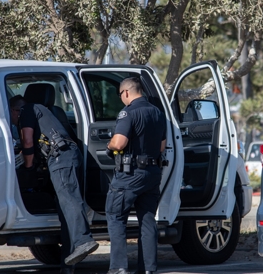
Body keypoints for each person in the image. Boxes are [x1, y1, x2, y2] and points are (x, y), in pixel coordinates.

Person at [10, 95, 99, 274]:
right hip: (64, 156)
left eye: (10, 116)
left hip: (61, 157)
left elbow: (27, 141)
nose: (12, 121)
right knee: (64, 208)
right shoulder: (41, 112)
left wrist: (27, 168)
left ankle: (83, 240)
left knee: (68, 199)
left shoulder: (27, 109)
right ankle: (68, 262)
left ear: (15, 111)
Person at [105, 77, 167, 274]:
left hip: (130, 174)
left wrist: (110, 145)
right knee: (148, 221)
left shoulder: (128, 112)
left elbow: (119, 143)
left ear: (126, 93)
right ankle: (148, 269)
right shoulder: (157, 112)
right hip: (152, 173)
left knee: (115, 216)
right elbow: (161, 146)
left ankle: (118, 268)